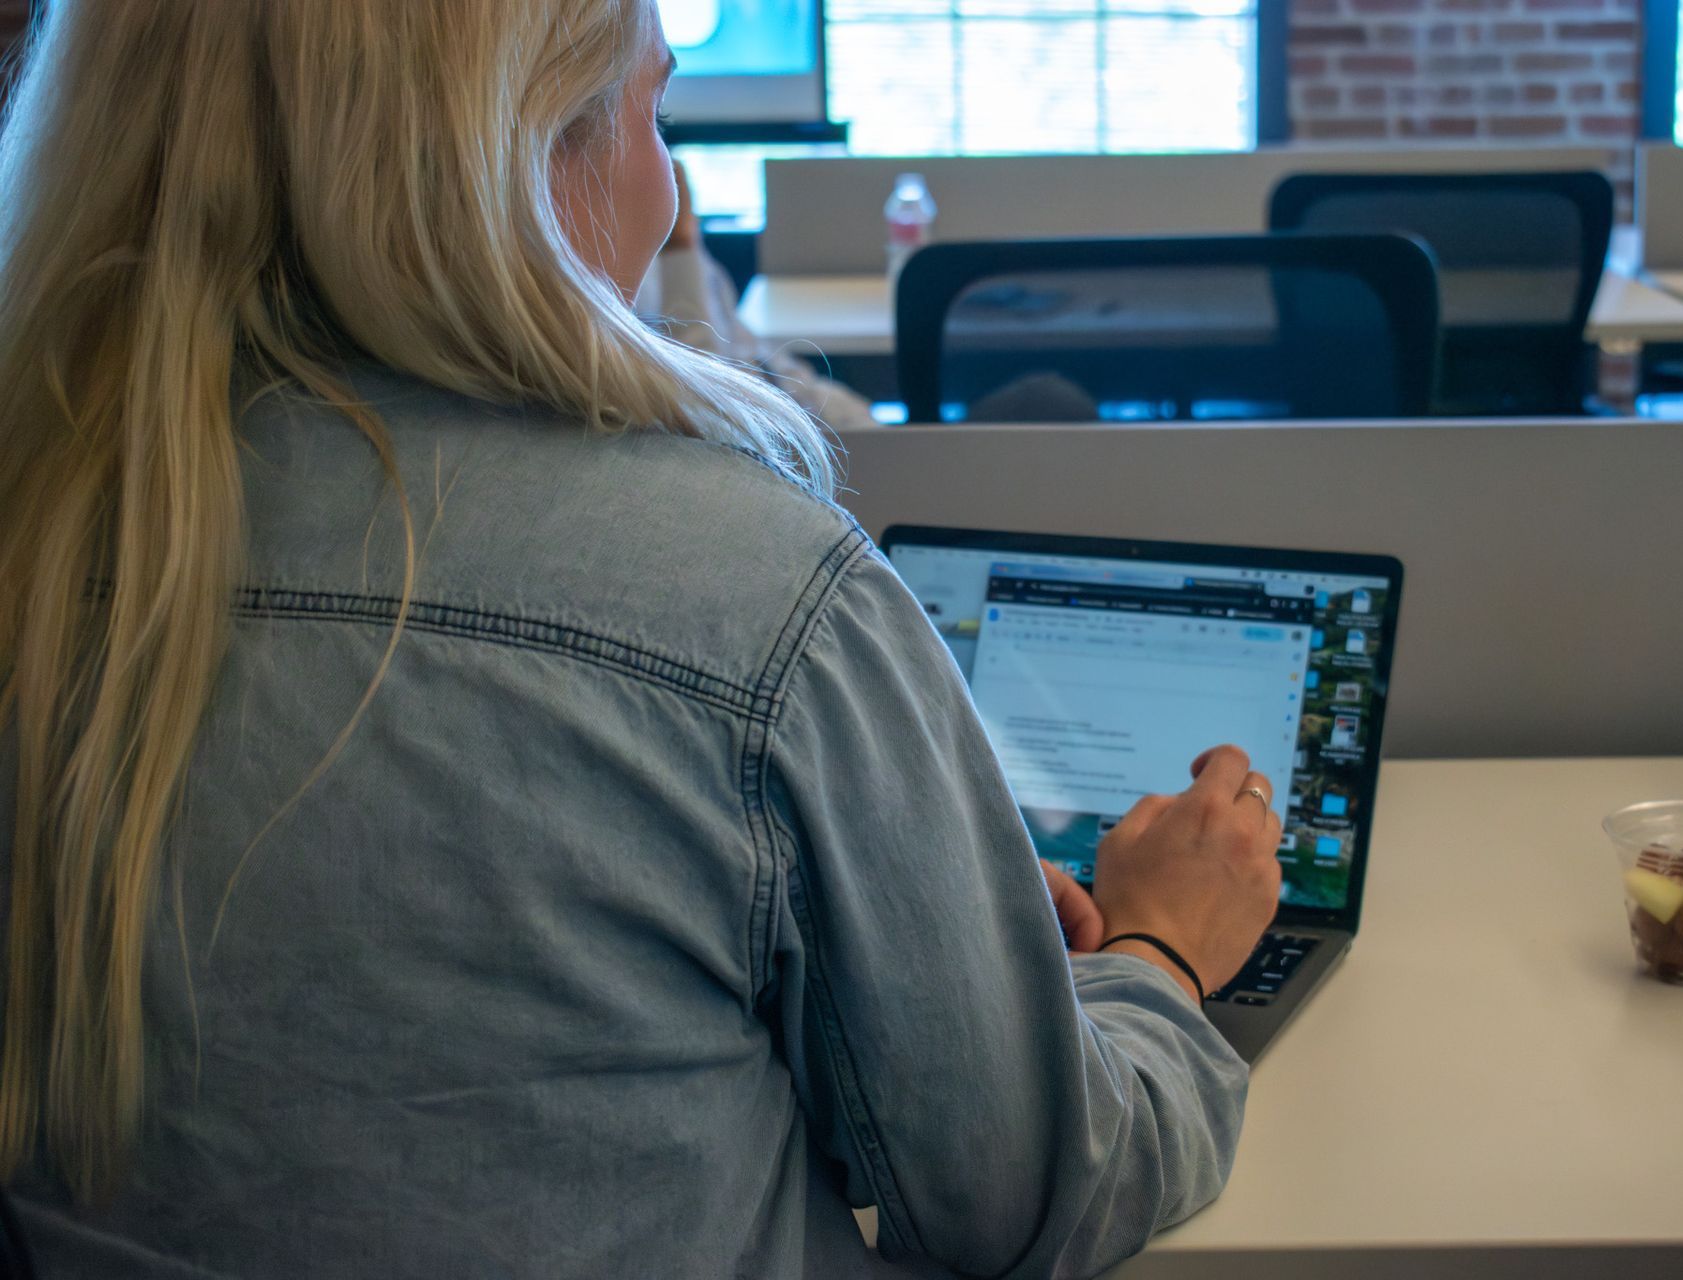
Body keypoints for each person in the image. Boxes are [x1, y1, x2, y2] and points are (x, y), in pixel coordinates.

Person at [0, 1, 1281, 1276]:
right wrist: (1162, 949)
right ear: (523, 157)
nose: (668, 204)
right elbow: (1029, 1197)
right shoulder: (751, 595)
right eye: (653, 110)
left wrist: (908, 918)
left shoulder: (33, 561)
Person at [635, 160, 881, 432]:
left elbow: (747, 347)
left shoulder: (680, 254)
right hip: (756, 428)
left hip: (787, 401)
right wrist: (681, 246)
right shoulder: (641, 272)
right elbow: (702, 387)